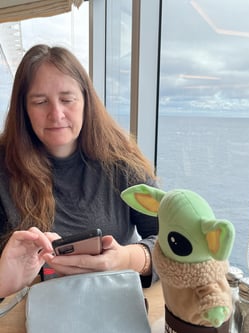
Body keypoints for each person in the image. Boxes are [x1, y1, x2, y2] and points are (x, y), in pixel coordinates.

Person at [0, 44, 159, 296]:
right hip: (32, 308)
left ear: (86, 101)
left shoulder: (122, 161)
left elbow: (172, 240)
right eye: (40, 102)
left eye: (67, 99)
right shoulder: (3, 167)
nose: (56, 114)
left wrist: (127, 259)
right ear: (24, 110)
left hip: (114, 301)